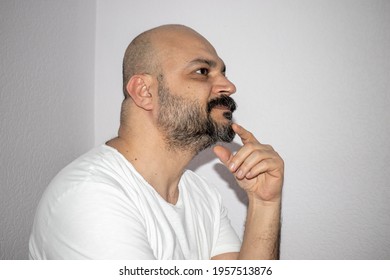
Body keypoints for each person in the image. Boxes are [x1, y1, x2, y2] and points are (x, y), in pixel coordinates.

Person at [29, 24, 284, 260]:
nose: (229, 86)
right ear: (144, 91)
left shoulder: (202, 195)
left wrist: (264, 204)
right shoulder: (90, 197)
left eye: (223, 73)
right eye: (202, 71)